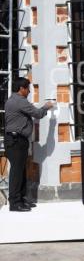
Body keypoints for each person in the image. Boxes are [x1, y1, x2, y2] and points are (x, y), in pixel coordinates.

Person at [4, 77, 54, 212]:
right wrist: (46, 107)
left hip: (15, 140)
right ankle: (15, 203)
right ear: (21, 89)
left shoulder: (12, 100)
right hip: (16, 141)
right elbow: (37, 114)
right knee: (16, 172)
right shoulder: (20, 101)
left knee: (21, 171)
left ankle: (21, 200)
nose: (29, 92)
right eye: (28, 89)